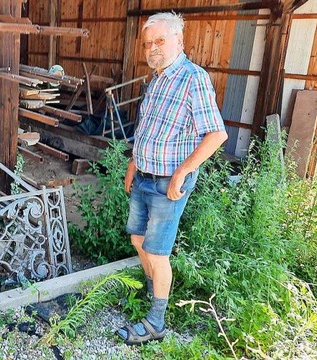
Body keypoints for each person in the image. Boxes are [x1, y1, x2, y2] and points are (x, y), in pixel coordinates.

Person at [116, 12, 228, 345]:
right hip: (144, 177)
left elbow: (216, 135)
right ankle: (155, 295)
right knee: (138, 240)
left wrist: (182, 171)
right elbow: (146, 130)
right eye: (148, 43)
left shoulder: (194, 78)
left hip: (168, 184)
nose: (152, 48)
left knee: (157, 252)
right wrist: (133, 165)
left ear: (179, 40)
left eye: (160, 41)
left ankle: (156, 323)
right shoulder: (156, 80)